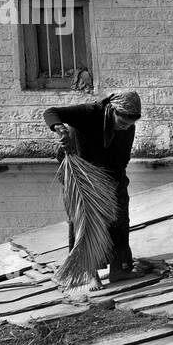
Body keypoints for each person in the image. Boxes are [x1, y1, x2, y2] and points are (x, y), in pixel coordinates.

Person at [43, 90, 143, 283]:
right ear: (111, 110)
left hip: (108, 171)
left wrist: (115, 187)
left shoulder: (128, 128)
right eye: (121, 122)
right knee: (85, 219)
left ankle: (118, 269)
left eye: (129, 125)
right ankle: (89, 273)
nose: (124, 127)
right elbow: (51, 112)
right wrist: (60, 128)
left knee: (119, 216)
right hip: (79, 171)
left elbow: (121, 160)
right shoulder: (90, 113)